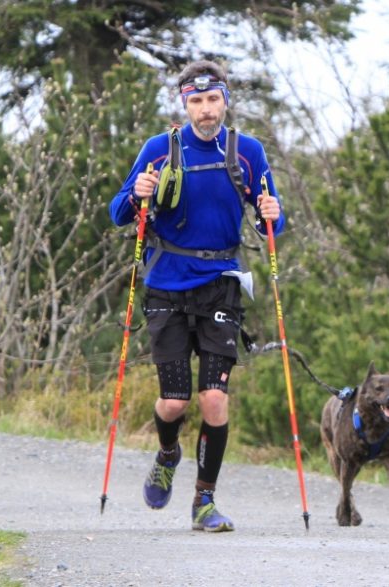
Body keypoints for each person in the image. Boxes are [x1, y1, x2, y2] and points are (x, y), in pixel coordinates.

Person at [109, 59, 285, 532]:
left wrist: (274, 210)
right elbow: (119, 213)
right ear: (184, 103)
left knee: (214, 400)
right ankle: (168, 452)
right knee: (174, 403)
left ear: (225, 100)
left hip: (221, 284)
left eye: (213, 100)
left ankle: (203, 502)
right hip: (166, 282)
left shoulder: (246, 150)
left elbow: (272, 217)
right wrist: (136, 192)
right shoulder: (159, 148)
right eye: (196, 101)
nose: (206, 111)